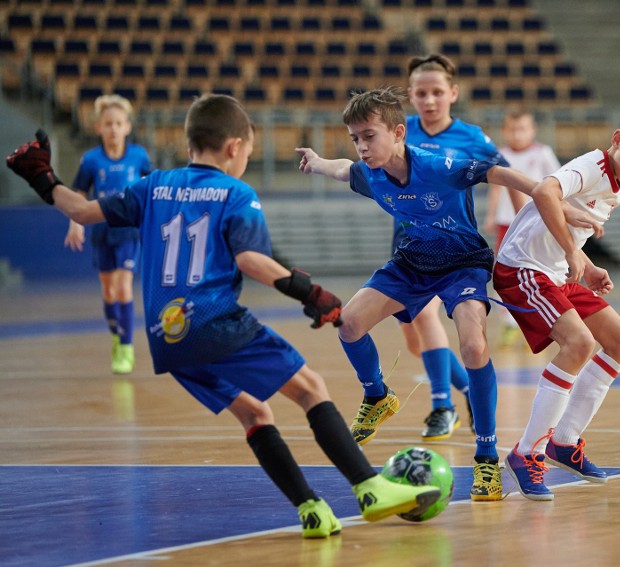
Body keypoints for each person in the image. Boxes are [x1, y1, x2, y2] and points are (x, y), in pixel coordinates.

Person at [6, 94, 441, 538]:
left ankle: (311, 508)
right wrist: (312, 294)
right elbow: (253, 260)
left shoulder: (152, 185)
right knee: (311, 389)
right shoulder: (236, 193)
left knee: (255, 414)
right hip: (214, 321)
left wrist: (42, 176)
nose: (246, 160)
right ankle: (370, 488)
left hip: (166, 337)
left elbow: (81, 210)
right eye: (249, 152)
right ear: (234, 147)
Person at [295, 86, 543, 502]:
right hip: (411, 262)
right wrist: (318, 162)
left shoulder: (438, 164)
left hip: (462, 262)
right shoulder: (369, 173)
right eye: (355, 138)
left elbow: (496, 173)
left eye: (369, 136)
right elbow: (343, 169)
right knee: (350, 322)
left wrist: (545, 194)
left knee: (474, 346)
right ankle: (377, 395)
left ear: (397, 133)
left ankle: (485, 456)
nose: (361, 146)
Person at [493, 101, 620, 500]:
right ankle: (527, 453)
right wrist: (572, 252)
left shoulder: (617, 190)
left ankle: (565, 439)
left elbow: (571, 230)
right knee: (578, 343)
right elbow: (544, 192)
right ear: (617, 140)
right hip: (522, 267)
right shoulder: (593, 166)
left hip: (557, 270)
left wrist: (586, 265)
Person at [400, 53, 511, 441]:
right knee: (416, 343)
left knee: (429, 319)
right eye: (420, 93)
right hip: (407, 243)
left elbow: (505, 175)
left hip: (454, 247)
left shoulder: (471, 137)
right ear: (411, 95)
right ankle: (465, 388)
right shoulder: (399, 132)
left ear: (453, 93)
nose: (429, 101)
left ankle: (442, 406)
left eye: (436, 92)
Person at [64, 95, 152, 374]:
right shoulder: (91, 160)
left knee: (123, 285)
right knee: (108, 290)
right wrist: (75, 222)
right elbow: (79, 193)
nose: (113, 128)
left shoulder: (139, 155)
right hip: (102, 230)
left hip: (128, 231)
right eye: (108, 124)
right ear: (98, 128)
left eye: (118, 123)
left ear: (127, 126)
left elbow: (150, 188)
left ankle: (126, 348)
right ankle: (117, 334)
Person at [484, 107, 562, 349]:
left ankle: (547, 321)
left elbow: (557, 186)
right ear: (505, 131)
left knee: (542, 271)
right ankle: (509, 324)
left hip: (538, 223)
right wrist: (490, 215)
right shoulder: (500, 155)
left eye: (523, 129)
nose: (517, 134)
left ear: (533, 130)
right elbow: (496, 188)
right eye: (513, 129)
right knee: (503, 274)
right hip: (508, 223)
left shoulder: (543, 153)